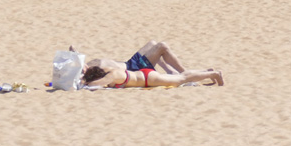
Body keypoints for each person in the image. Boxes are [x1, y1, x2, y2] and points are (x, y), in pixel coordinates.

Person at [69, 40, 188, 75]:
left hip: (130, 63)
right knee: (162, 46)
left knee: (152, 44)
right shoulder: (91, 73)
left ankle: (169, 71)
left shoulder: (88, 65)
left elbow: (73, 50)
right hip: (135, 69)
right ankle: (186, 73)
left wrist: (74, 52)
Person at [81, 64, 223, 88]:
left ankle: (214, 74)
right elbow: (92, 70)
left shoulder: (111, 75)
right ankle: (205, 71)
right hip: (146, 75)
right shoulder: (107, 69)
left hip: (150, 79)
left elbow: (94, 84)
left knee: (182, 79)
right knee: (181, 77)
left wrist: (85, 82)